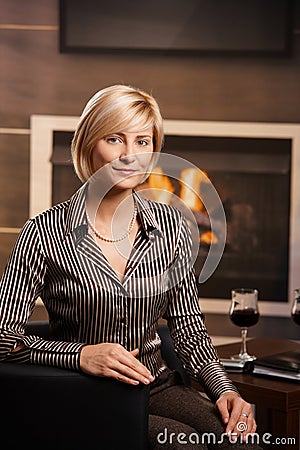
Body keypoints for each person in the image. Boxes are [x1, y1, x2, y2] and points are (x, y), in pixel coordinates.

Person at [0, 84, 261, 449]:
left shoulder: (174, 226)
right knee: (183, 444)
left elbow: (188, 328)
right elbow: (2, 338)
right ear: (89, 144)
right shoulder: (43, 231)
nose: (130, 156)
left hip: (157, 385)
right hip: (80, 393)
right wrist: (80, 356)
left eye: (142, 141)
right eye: (114, 139)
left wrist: (224, 388)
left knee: (245, 441)